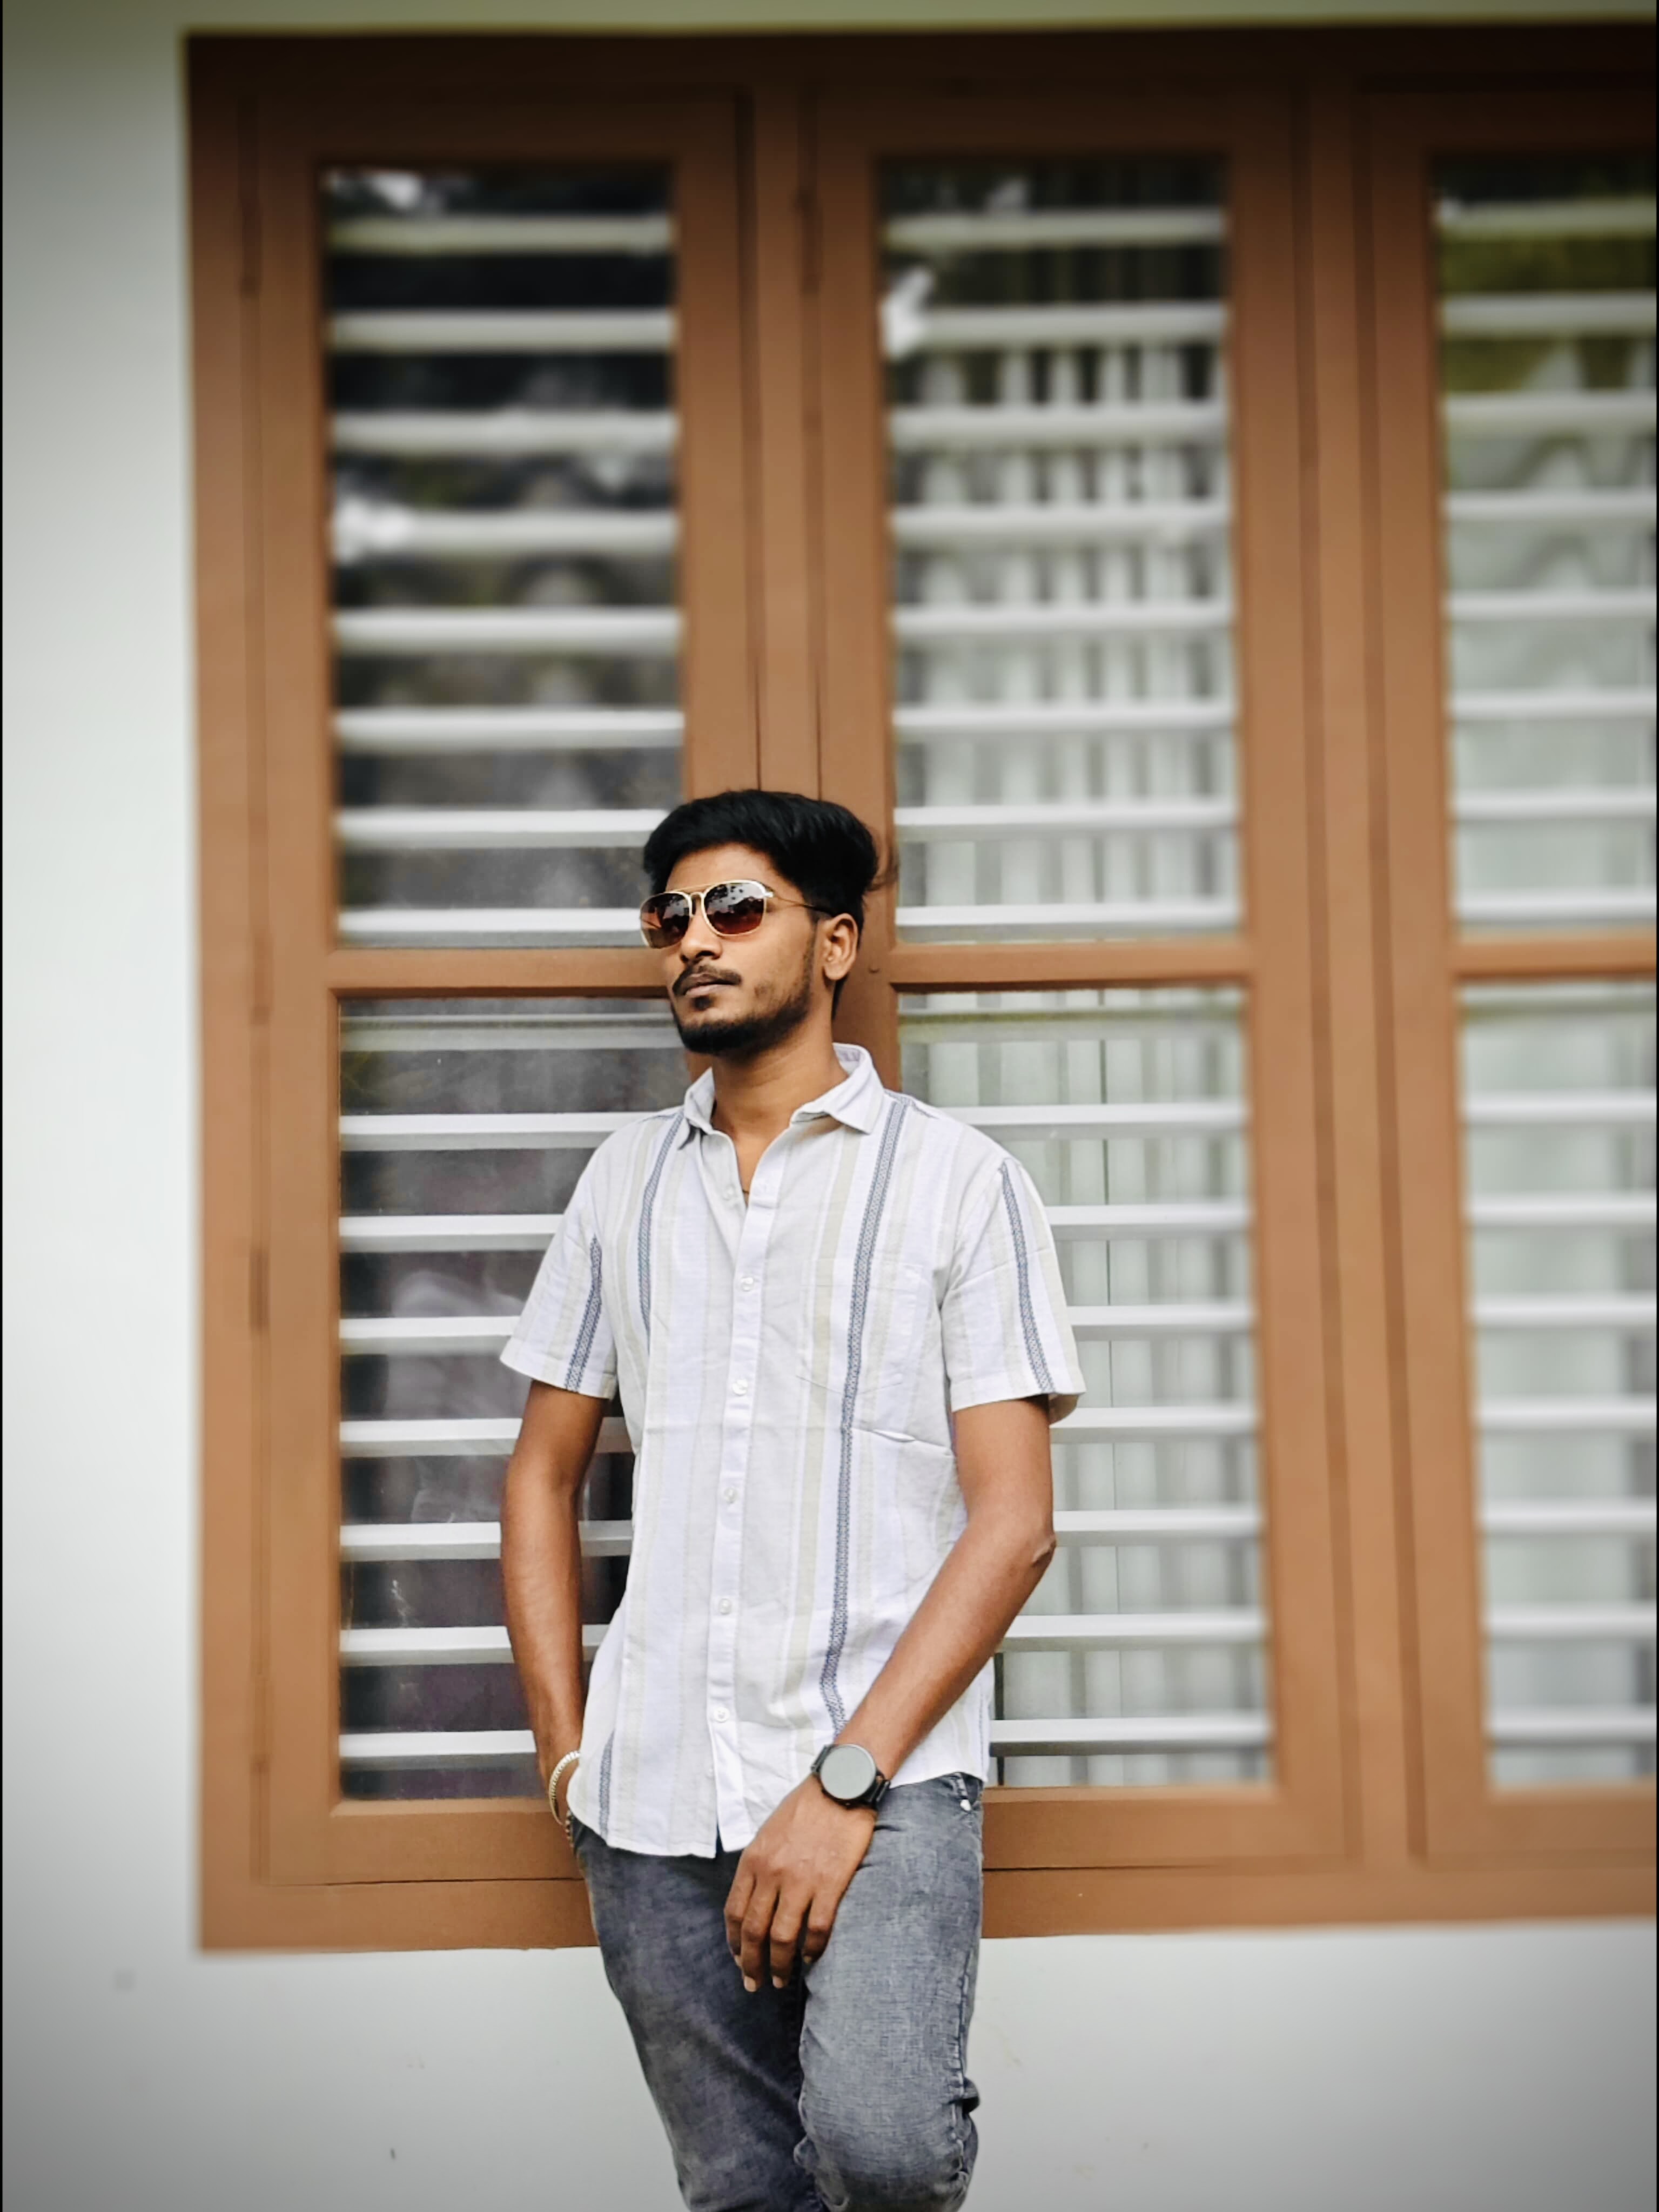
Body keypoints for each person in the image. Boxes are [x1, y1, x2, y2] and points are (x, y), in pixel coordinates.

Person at [500, 790, 1082, 2212]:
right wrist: (570, 1757)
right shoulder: (623, 1185)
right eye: (671, 915)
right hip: (651, 1797)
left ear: (833, 943)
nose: (694, 940)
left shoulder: (960, 1185)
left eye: (736, 908)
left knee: (886, 2153)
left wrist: (842, 1785)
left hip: (883, 1781)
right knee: (741, 2192)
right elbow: (541, 1472)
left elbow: (1015, 1523)